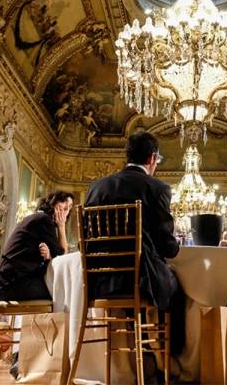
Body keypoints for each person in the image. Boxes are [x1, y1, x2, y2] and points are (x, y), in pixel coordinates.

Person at [84, 131, 184, 354]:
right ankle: (171, 360)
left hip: (97, 280)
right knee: (178, 286)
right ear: (152, 158)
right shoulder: (157, 188)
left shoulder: (96, 187)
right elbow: (167, 246)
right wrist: (175, 244)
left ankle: (131, 354)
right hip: (139, 281)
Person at [0, 191, 72, 301]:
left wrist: (49, 256)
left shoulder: (37, 218)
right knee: (61, 291)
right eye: (64, 203)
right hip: (13, 285)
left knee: (58, 289)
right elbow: (62, 255)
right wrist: (61, 226)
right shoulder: (44, 220)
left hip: (6, 283)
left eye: (69, 207)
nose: (66, 210)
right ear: (53, 203)